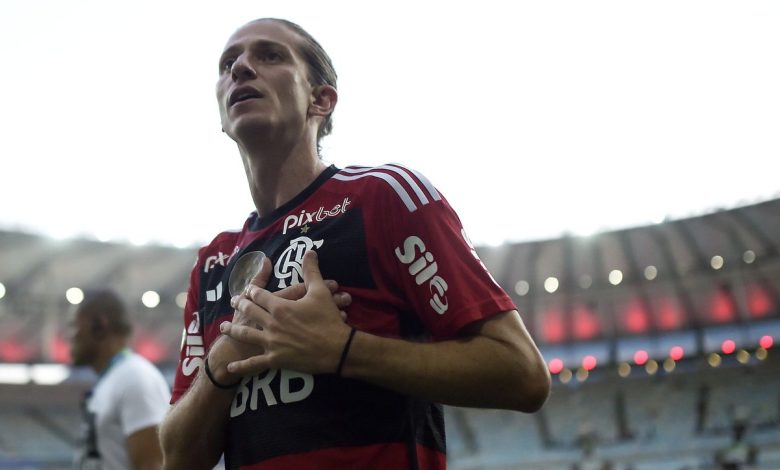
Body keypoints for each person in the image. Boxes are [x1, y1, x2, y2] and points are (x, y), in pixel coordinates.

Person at [160, 17, 550, 470]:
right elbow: (177, 458)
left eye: (270, 55)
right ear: (223, 118)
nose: (241, 68)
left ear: (320, 99)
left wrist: (342, 348)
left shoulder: (383, 196)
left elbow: (522, 373)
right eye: (228, 63)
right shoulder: (214, 261)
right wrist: (226, 356)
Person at [69, 289, 171, 470]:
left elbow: (153, 465)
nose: (71, 336)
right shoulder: (112, 379)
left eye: (77, 326)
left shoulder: (135, 378)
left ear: (99, 326)